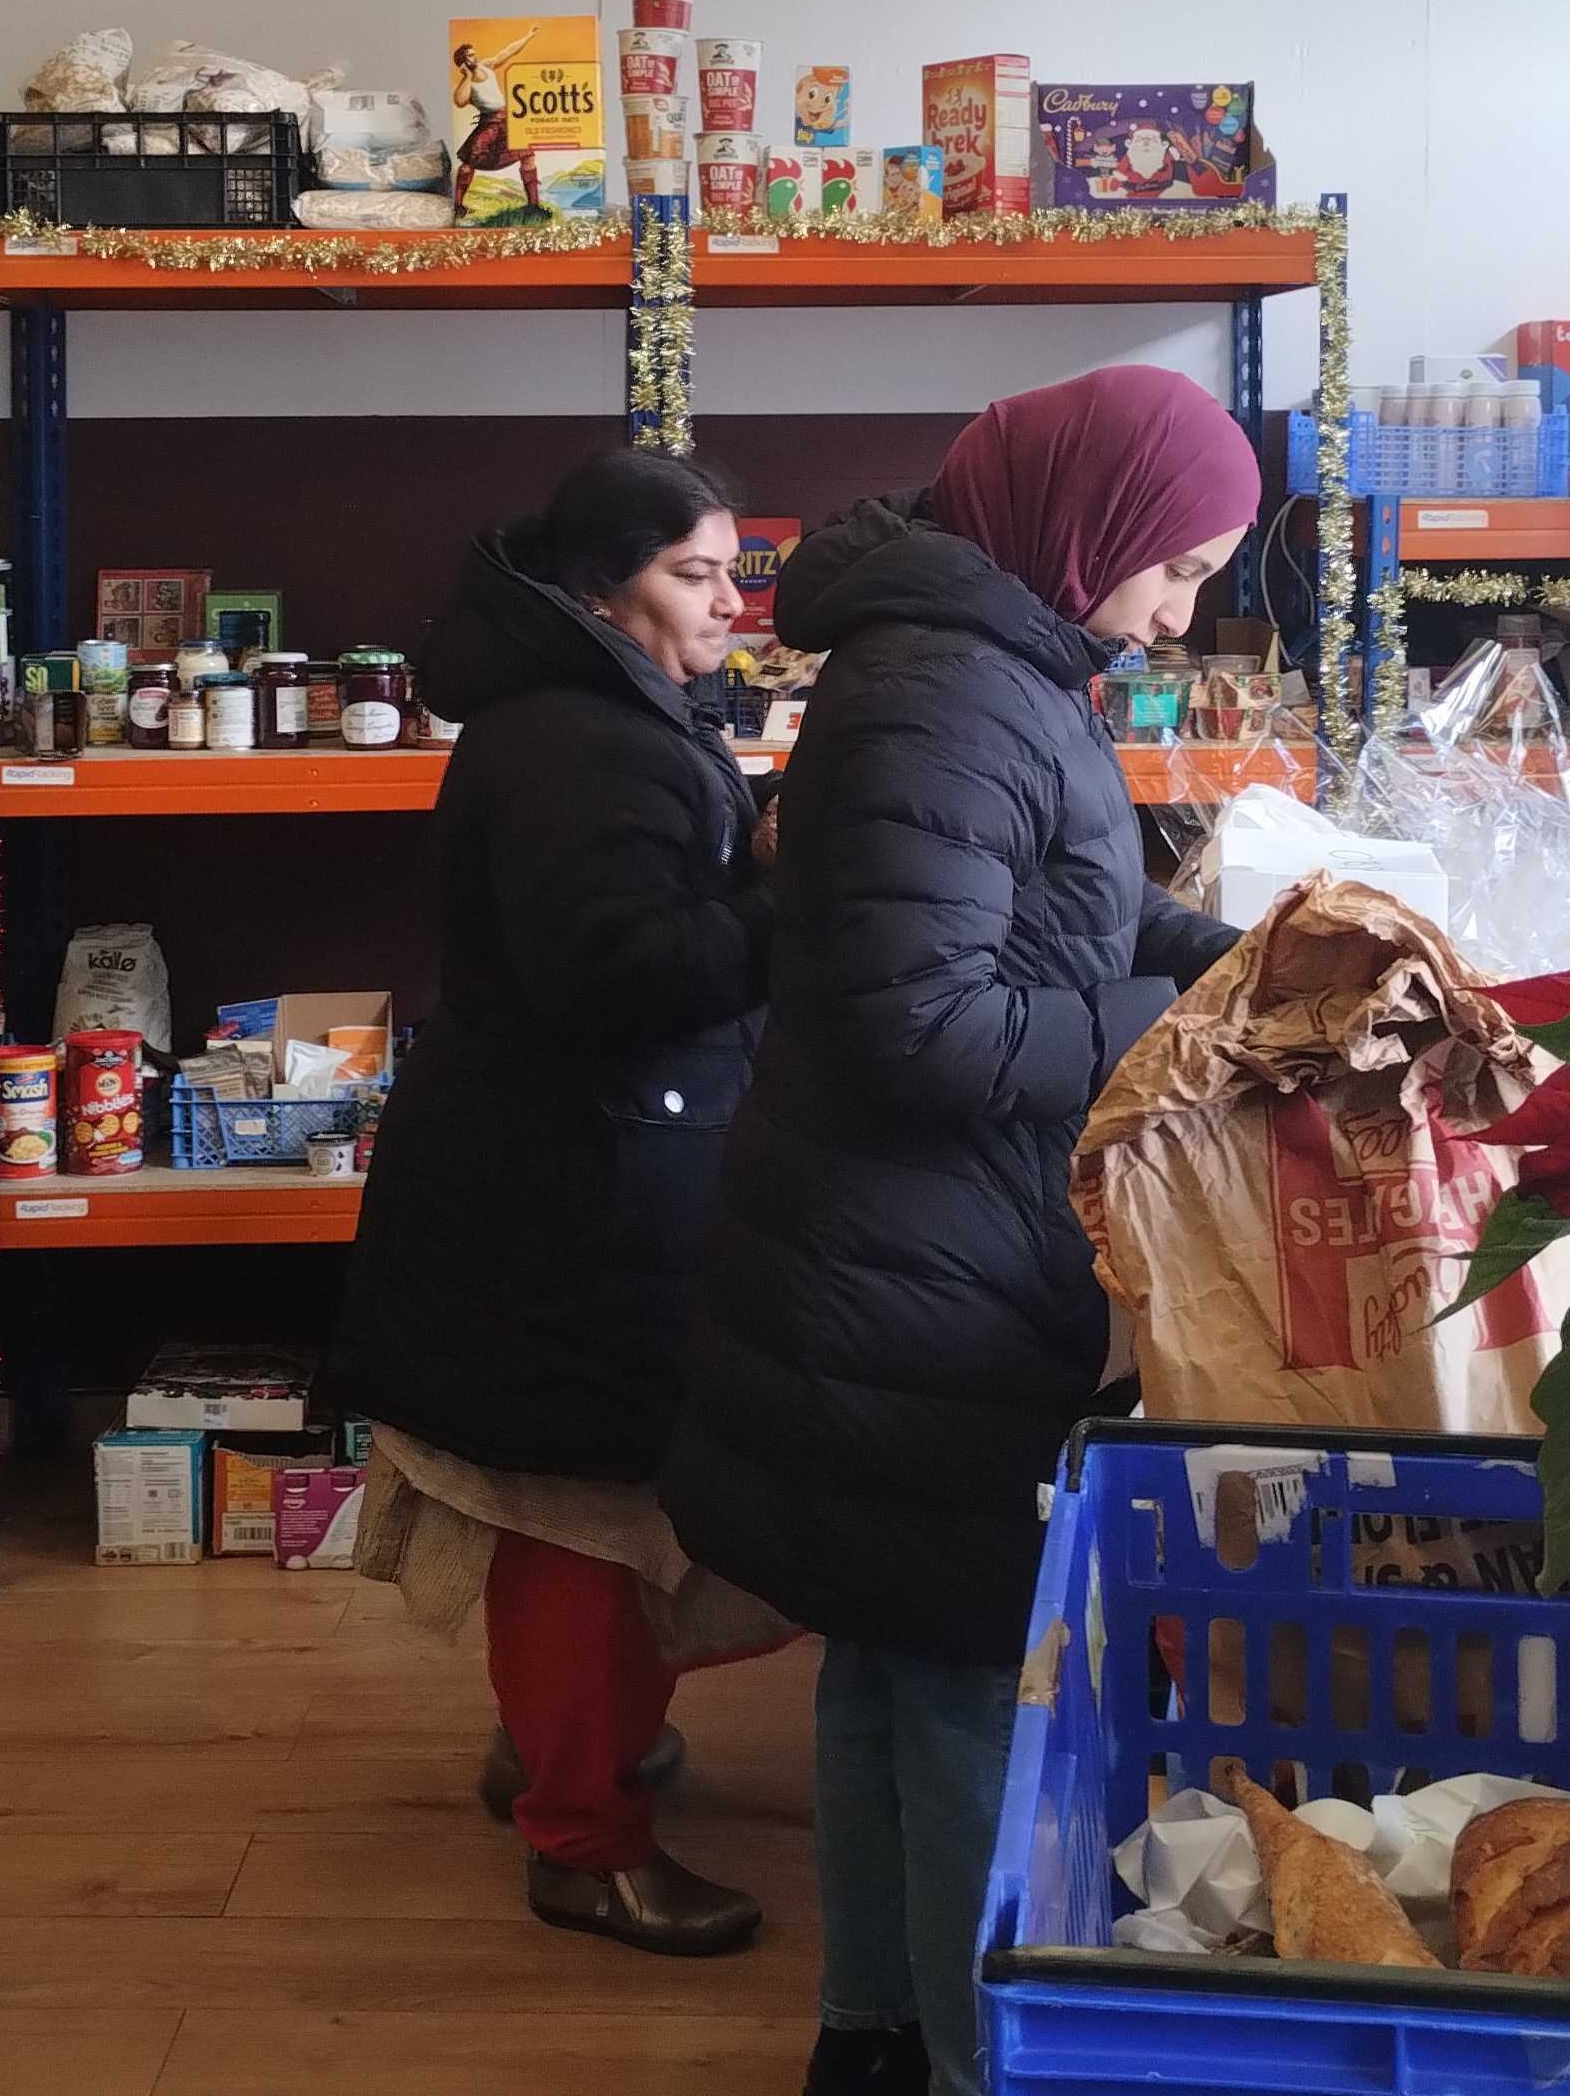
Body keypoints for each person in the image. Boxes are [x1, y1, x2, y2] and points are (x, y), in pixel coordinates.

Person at [665, 366, 1259, 2096]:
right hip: (915, 1279)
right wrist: (1180, 1042)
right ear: (1091, 524)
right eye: (1178, 563)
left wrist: (1225, 945)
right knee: (959, 1691)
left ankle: (872, 2033)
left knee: (885, 1664)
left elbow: (1051, 896)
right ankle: (962, 2057)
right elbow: (923, 1027)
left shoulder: (997, 664)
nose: (1183, 604)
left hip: (881, 1255)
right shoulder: (950, 693)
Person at [332, 446, 777, 1958]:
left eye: (731, 570)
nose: (728, 604)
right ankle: (585, 1847)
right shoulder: (589, 743)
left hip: (559, 1167)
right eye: (694, 574)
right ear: (602, 587)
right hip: (573, 1189)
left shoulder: (591, 714)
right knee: (590, 1520)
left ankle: (559, 1759)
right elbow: (623, 979)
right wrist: (787, 888)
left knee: (583, 1504)